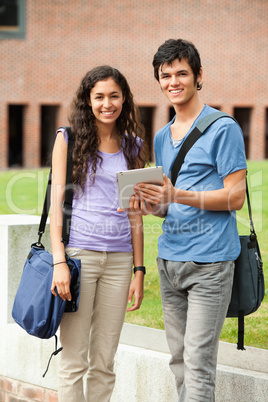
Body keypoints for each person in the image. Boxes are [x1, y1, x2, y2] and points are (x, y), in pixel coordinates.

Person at [130, 39, 247, 401]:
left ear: (198, 76)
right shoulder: (163, 136)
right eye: (165, 75)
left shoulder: (222, 127)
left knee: (198, 363)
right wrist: (149, 204)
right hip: (170, 262)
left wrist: (176, 195)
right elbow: (169, 203)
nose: (173, 81)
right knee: (179, 361)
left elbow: (235, 197)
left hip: (210, 263)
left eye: (182, 73)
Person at [49, 65, 147, 402]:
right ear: (88, 101)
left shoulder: (133, 145)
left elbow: (135, 212)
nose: (108, 103)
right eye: (100, 96)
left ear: (124, 99)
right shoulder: (68, 139)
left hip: (120, 262)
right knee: (74, 360)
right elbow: (56, 206)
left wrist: (138, 269)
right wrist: (58, 261)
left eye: (114, 96)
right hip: (79, 258)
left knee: (105, 361)